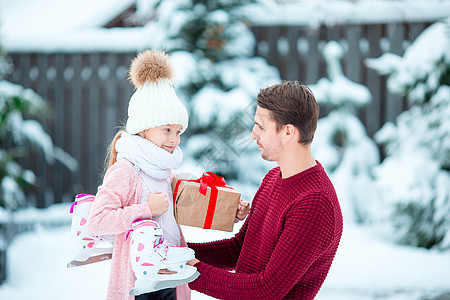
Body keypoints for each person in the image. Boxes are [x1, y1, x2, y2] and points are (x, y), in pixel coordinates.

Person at [87, 49, 250, 300]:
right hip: (139, 283)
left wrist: (230, 212)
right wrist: (145, 210)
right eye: (167, 130)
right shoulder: (126, 170)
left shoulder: (166, 172)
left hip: (171, 277)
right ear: (142, 129)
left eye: (178, 132)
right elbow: (98, 220)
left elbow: (190, 213)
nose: (174, 140)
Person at [186, 81, 343, 299]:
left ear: (287, 132)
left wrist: (190, 271)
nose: (252, 134)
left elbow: (265, 290)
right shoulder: (273, 177)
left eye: (261, 126)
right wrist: (179, 251)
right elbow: (239, 249)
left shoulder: (314, 204)